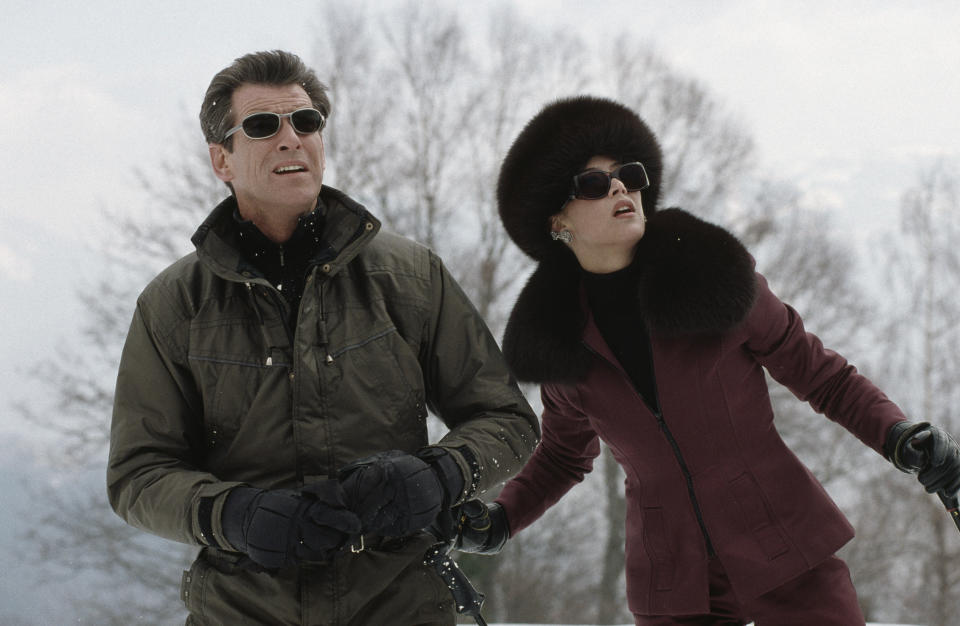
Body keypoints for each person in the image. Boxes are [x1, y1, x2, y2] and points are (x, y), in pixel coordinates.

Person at [453, 95, 960, 624]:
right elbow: (563, 456)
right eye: (594, 183)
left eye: (628, 175)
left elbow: (822, 376)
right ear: (557, 220)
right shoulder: (561, 342)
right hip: (673, 581)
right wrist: (502, 519)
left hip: (785, 545)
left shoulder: (715, 282)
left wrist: (898, 435)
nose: (621, 188)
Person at [106, 50, 539, 625]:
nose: (291, 138)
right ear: (222, 159)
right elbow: (138, 476)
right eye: (262, 126)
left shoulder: (411, 278)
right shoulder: (174, 305)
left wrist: (442, 475)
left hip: (403, 607)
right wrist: (233, 514)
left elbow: (508, 420)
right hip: (242, 611)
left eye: (305, 122)